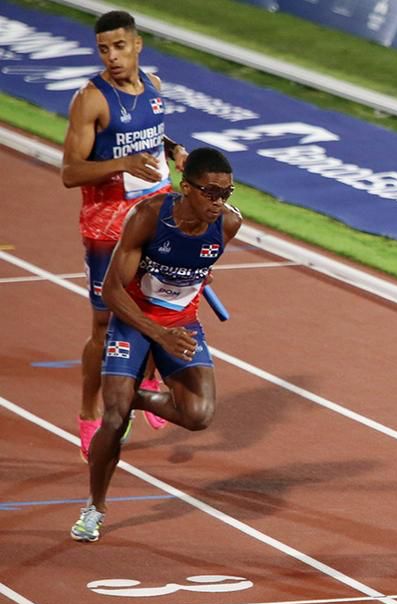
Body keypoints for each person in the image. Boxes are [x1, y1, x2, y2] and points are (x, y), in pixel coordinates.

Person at [71, 148, 240, 542]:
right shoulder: (149, 216)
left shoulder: (229, 224)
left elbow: (200, 265)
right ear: (186, 188)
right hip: (132, 321)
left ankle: (137, 400)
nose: (219, 203)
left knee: (199, 415)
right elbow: (112, 290)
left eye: (227, 193)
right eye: (210, 193)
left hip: (182, 324)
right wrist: (156, 331)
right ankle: (95, 507)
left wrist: (193, 278)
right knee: (112, 418)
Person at [62, 10, 189, 461]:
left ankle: (150, 378)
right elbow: (70, 171)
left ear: (137, 45)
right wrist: (122, 164)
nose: (112, 57)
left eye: (119, 46)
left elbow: (149, 134)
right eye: (103, 49)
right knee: (103, 324)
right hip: (107, 225)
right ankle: (87, 411)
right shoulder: (90, 100)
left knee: (160, 302)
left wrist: (173, 150)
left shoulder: (153, 87)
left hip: (156, 211)